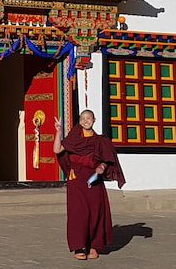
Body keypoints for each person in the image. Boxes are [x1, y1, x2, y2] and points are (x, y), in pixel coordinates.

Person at [53, 110, 125, 260]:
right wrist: (59, 131)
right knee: (78, 213)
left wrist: (102, 167)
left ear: (94, 120)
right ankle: (79, 247)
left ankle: (94, 245)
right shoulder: (73, 138)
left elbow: (107, 159)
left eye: (89, 118)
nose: (86, 121)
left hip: (94, 179)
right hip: (76, 179)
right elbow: (57, 150)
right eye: (83, 118)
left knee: (96, 211)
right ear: (79, 121)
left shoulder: (100, 141)